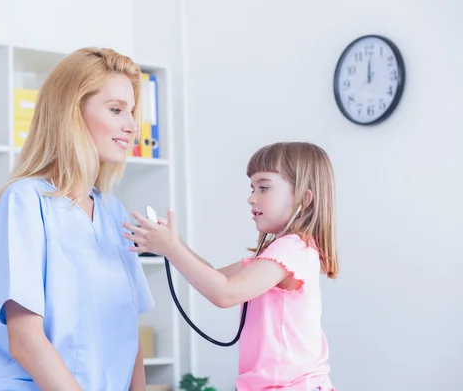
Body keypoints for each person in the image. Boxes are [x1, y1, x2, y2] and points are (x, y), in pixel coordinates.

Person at [0, 47, 155, 391]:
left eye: (132, 112)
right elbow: (25, 340)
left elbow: (129, 340)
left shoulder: (114, 213)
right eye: (116, 110)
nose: (132, 126)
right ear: (71, 113)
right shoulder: (24, 202)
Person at [123, 141, 338, 391]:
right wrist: (175, 244)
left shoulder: (292, 248)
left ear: (304, 199)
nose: (251, 198)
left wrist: (171, 249)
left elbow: (225, 293)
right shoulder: (276, 253)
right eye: (252, 187)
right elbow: (215, 277)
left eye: (264, 187)